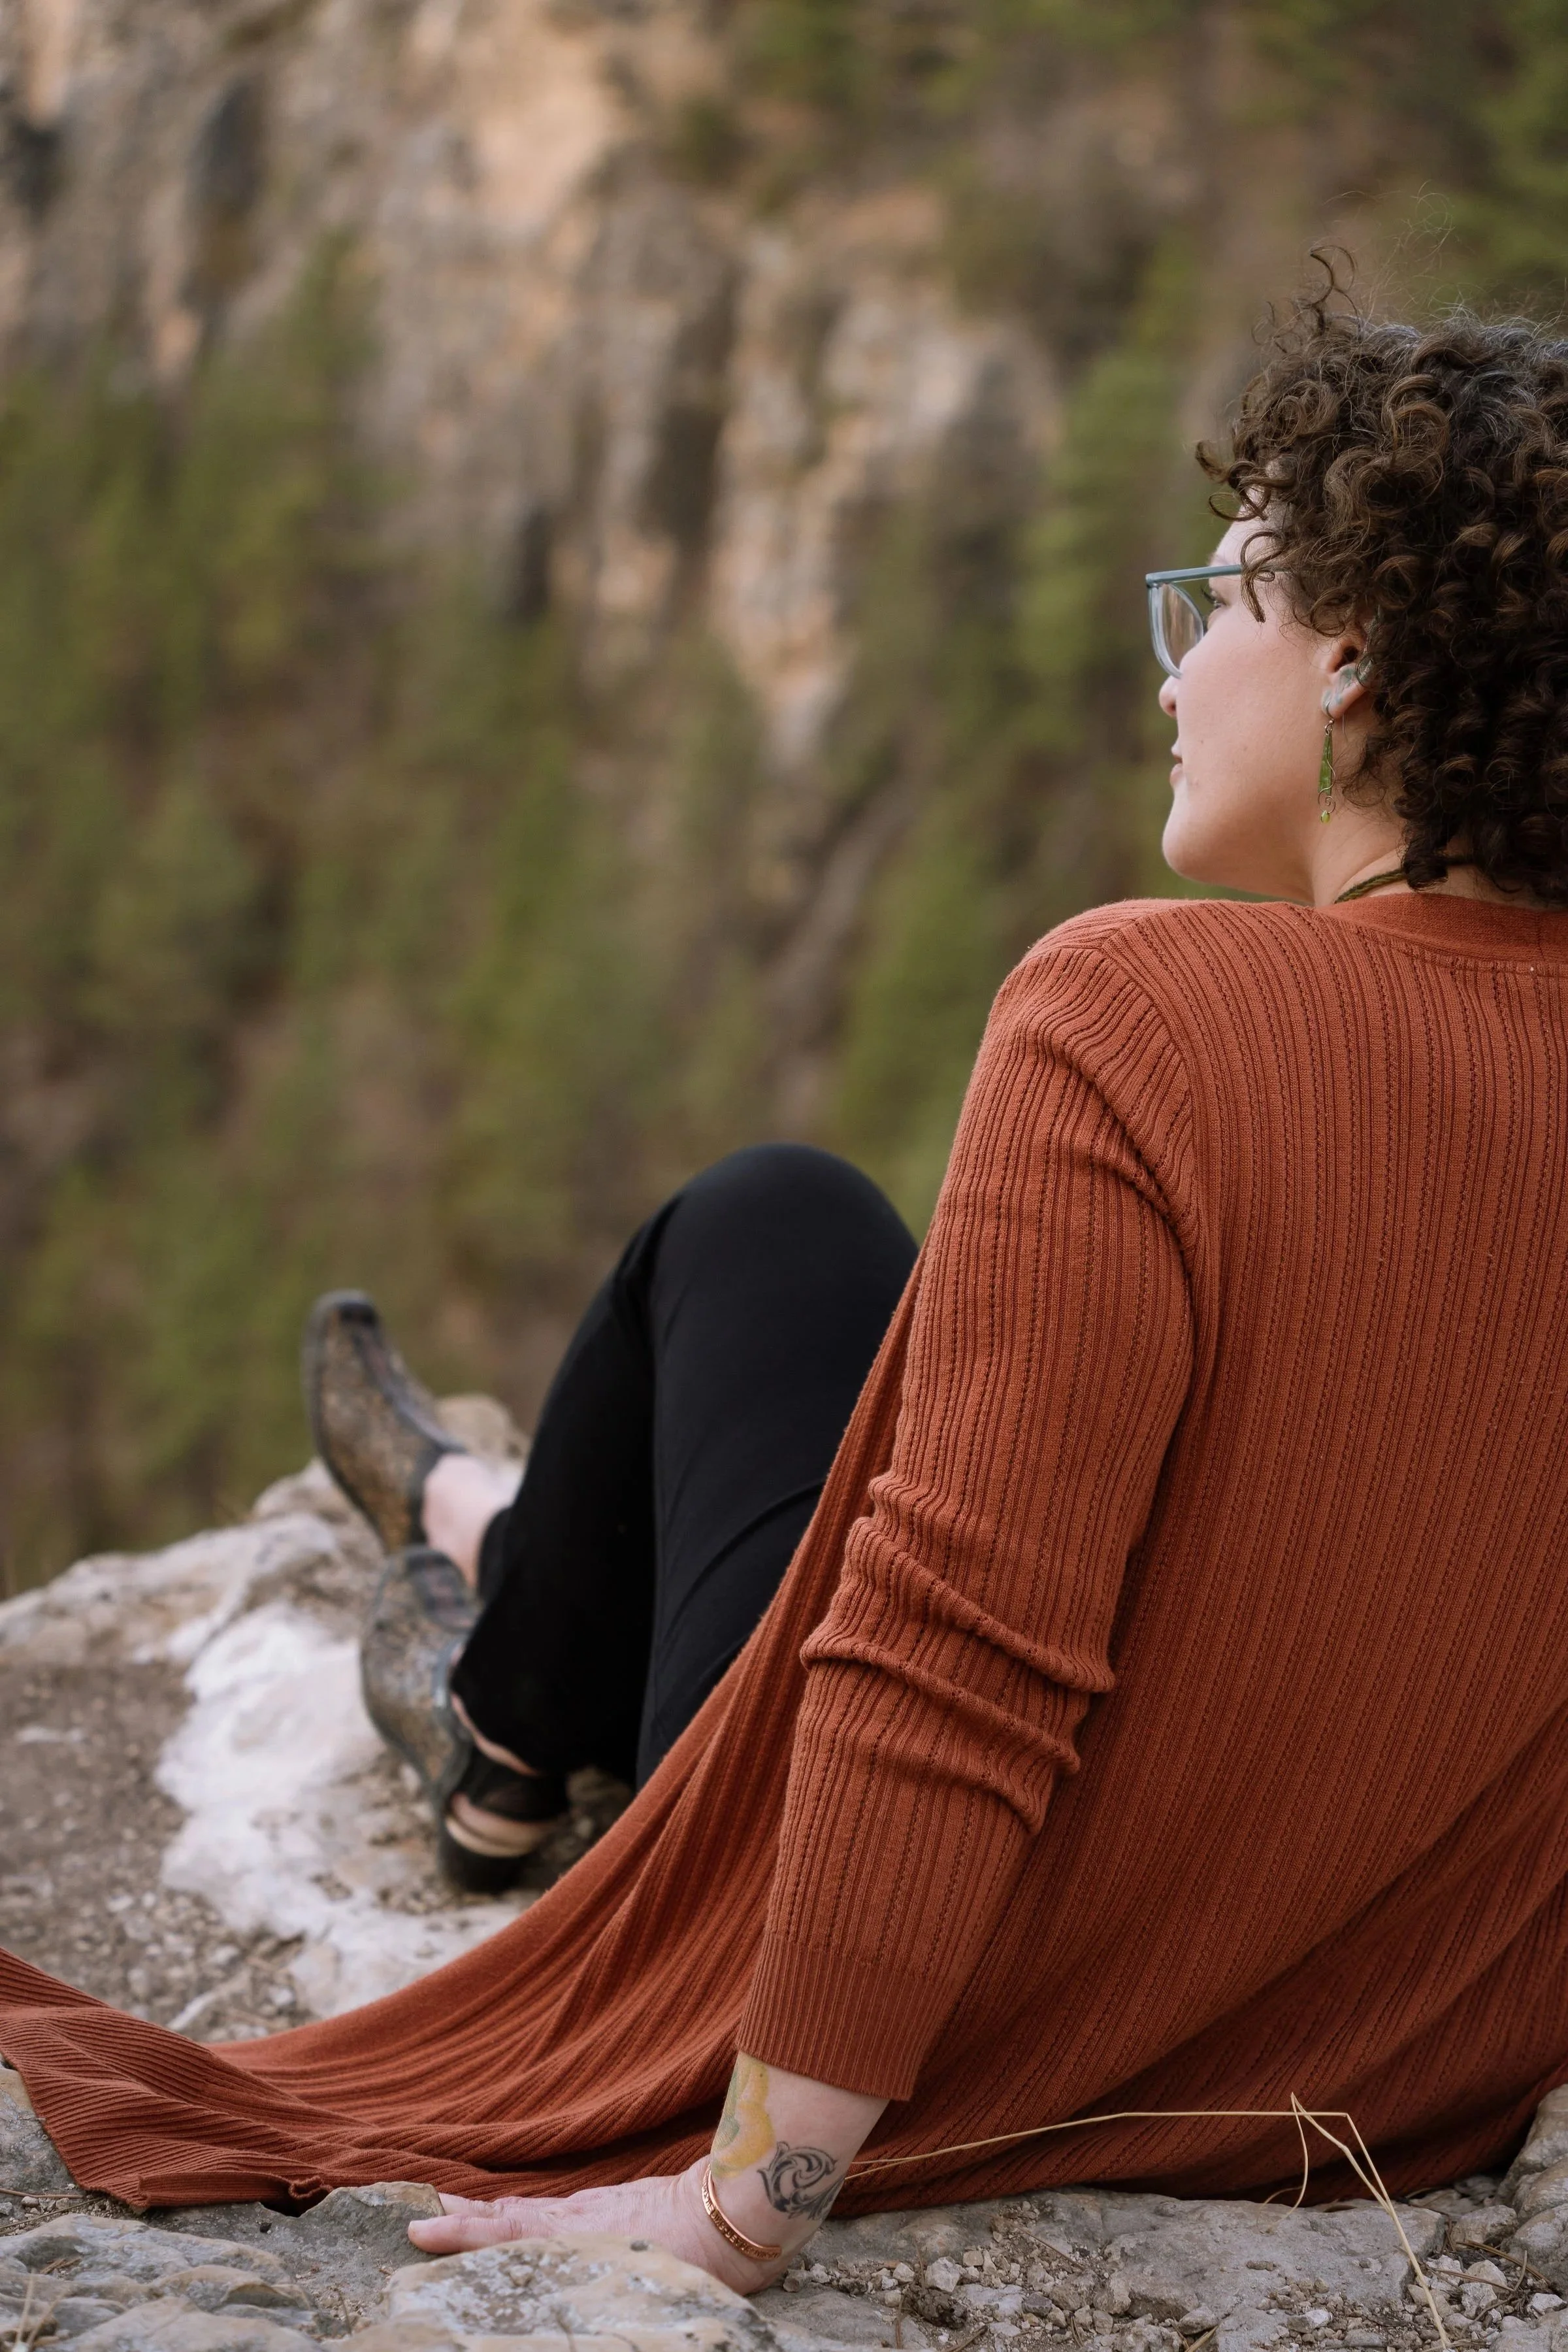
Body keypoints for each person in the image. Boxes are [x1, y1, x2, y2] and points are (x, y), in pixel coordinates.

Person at [7, 286, 1568, 2290]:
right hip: (1381, 2066)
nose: (1178, 671)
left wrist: (752, 2197)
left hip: (978, 2025)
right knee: (812, 1257)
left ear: (1351, 652)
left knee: (757, 1220)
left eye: (1223, 598)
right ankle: (490, 1573)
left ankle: (498, 1677)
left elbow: (955, 1658)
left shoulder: (1142, 1017)